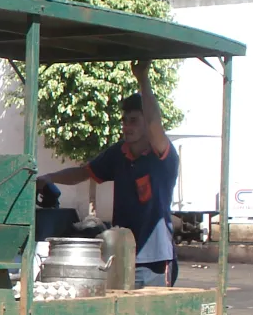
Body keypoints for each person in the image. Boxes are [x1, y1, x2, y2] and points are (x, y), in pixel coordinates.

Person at [36, 61, 179, 288]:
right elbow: (83, 172)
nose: (126, 126)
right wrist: (49, 178)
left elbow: (154, 124)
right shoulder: (118, 153)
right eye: (124, 121)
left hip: (154, 259)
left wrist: (143, 79)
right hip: (120, 253)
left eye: (134, 120)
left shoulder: (161, 154)